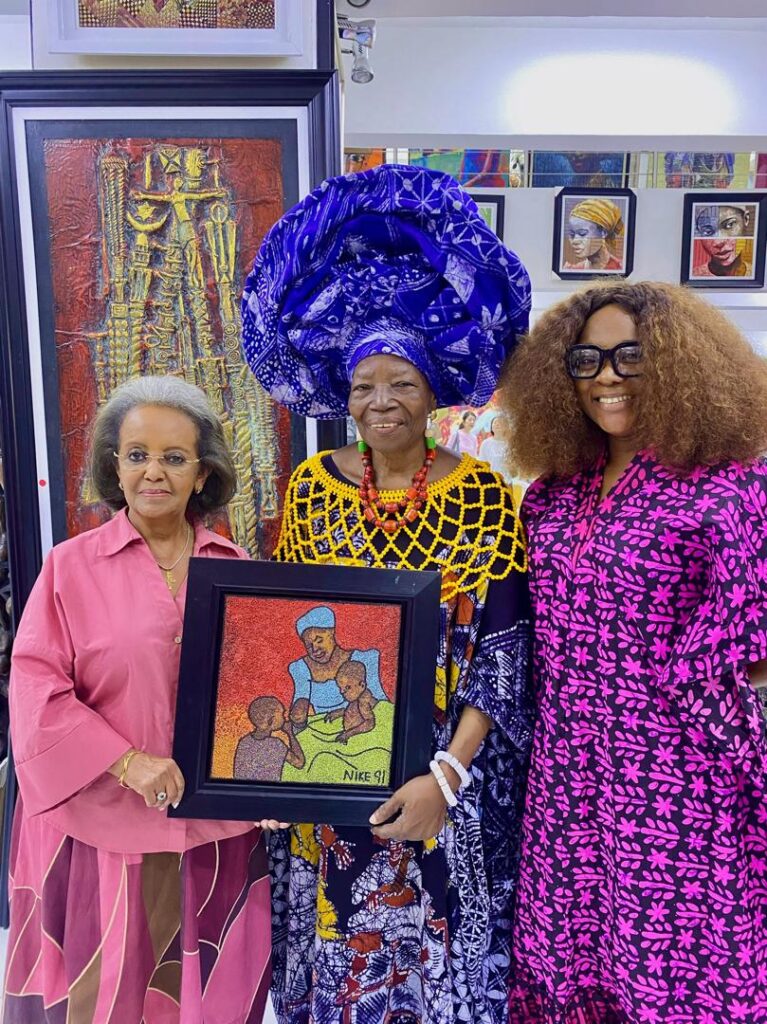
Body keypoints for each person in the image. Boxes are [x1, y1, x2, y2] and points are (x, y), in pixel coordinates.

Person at [241, 163, 534, 1024]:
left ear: (433, 389)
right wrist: (275, 772)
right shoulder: (310, 488)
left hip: (446, 779)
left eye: (401, 382)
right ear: (342, 393)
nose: (381, 402)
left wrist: (447, 774)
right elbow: (285, 633)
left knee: (441, 971)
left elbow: (503, 654)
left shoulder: (482, 495)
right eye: (364, 385)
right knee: (343, 966)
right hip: (334, 769)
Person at [500, 281, 767, 1023]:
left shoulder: (729, 488)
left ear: (678, 364)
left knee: (674, 966)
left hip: (678, 777)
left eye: (630, 356)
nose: (607, 376)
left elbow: (753, 642)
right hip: (567, 774)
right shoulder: (551, 495)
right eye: (586, 360)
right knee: (574, 956)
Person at [3, 375, 272, 1024]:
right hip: (100, 834)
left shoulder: (237, 567)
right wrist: (128, 763)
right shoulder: (70, 568)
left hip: (214, 840)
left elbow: (257, 694)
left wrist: (273, 785)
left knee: (213, 1002)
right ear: (114, 467)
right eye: (137, 455)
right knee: (107, 1004)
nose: (154, 472)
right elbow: (37, 694)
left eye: (174, 457)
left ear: (202, 474)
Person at [288, 605, 387, 715]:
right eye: (308, 645)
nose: (315, 649)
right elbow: (298, 714)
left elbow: (381, 706)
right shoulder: (300, 668)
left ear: (332, 633)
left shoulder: (364, 659)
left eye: (319, 640)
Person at [234, 696, 306, 781]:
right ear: (272, 720)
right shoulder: (275, 745)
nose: (285, 718)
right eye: (282, 714)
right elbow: (299, 763)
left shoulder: (244, 741)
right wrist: (290, 733)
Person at [563, 198, 624, 272]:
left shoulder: (620, 268)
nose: (575, 241)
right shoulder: (571, 269)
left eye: (582, 234)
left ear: (603, 232)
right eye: (572, 234)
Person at [327, 660, 380, 744]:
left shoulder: (363, 702)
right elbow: (352, 711)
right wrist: (336, 713)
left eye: (347, 687)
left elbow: (370, 722)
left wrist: (348, 734)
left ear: (362, 685)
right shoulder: (356, 698)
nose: (342, 692)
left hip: (358, 739)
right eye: (340, 688)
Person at [477, 412, 511, 477]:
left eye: (500, 423)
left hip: (506, 479)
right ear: (491, 428)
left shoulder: (509, 444)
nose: (497, 424)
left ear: (505, 427)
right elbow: (482, 463)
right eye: (495, 423)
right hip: (490, 479)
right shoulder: (485, 443)